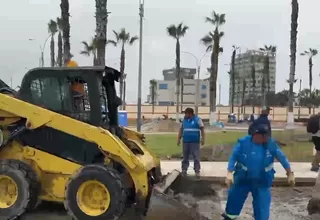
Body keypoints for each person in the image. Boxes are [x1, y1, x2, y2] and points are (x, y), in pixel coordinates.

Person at [222, 124, 295, 220]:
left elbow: (282, 158)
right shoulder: (243, 143)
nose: (266, 138)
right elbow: (234, 157)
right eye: (264, 136)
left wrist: (289, 173)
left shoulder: (270, 145)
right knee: (234, 200)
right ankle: (230, 217)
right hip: (243, 179)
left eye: (267, 136)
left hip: (262, 180)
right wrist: (229, 172)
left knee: (262, 207)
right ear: (256, 135)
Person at [177, 107, 205, 178]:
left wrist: (203, 139)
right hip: (186, 141)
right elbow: (181, 130)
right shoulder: (184, 120)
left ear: (190, 113)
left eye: (186, 113)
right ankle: (184, 170)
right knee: (185, 157)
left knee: (196, 156)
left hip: (195, 142)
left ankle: (197, 171)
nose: (185, 115)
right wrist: (178, 139)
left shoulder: (198, 120)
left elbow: (202, 130)